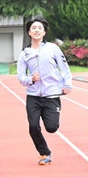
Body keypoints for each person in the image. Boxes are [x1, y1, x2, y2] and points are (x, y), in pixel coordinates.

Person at [17, 16, 72, 165]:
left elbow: (64, 67)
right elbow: (21, 77)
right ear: (29, 32)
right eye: (33, 28)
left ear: (44, 32)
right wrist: (31, 79)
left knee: (52, 127)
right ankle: (44, 153)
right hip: (33, 95)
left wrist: (68, 84)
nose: (36, 30)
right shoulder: (25, 53)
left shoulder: (53, 48)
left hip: (51, 94)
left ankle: (53, 117)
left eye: (39, 28)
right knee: (33, 126)